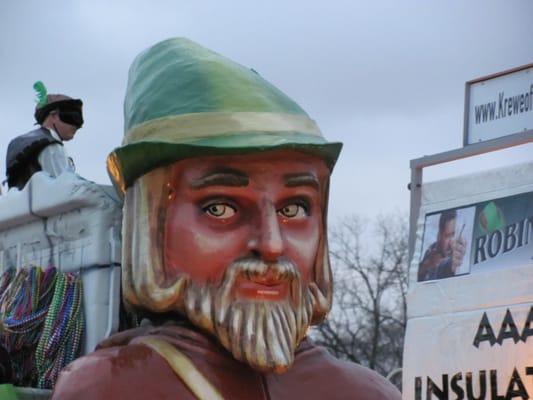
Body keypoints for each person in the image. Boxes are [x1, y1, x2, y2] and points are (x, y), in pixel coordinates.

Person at [52, 38, 401, 400]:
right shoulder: (115, 388)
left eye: (293, 209)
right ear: (153, 224)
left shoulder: (366, 393)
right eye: (220, 208)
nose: (271, 244)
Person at [5, 82, 83, 190]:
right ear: (54, 115)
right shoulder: (52, 146)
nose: (78, 125)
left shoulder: (18, 144)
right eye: (74, 117)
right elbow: (65, 191)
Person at [418, 209, 467, 281]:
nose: (451, 242)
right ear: (440, 235)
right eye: (448, 236)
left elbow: (449, 265)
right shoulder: (432, 251)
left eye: (454, 235)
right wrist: (425, 267)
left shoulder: (460, 253)